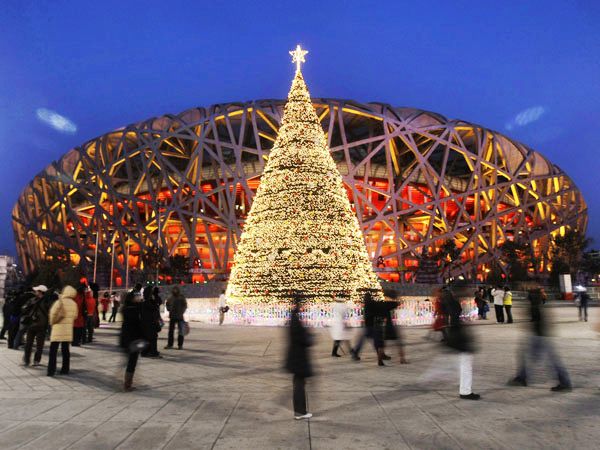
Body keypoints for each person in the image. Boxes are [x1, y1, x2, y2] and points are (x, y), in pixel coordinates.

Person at [508, 287, 572, 392]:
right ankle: (521, 377)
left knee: (550, 360)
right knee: (545, 358)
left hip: (539, 337)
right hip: (540, 335)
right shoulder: (538, 304)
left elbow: (535, 320)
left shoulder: (535, 306)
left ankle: (564, 382)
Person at [440, 285, 480, 400]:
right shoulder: (453, 303)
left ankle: (465, 390)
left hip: (456, 335)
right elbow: (454, 320)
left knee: (464, 363)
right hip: (458, 336)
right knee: (466, 364)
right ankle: (465, 391)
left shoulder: (449, 301)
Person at [285, 293, 313, 420]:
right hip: (298, 357)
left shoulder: (293, 316)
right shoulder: (295, 319)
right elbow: (301, 338)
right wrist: (309, 337)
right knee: (299, 385)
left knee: (298, 383)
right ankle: (300, 412)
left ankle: (299, 411)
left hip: (296, 356)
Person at [47, 286, 78, 377]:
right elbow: (75, 316)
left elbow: (53, 314)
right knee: (65, 350)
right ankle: (65, 369)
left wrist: (52, 322)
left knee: (53, 351)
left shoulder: (59, 302)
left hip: (57, 329)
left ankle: (51, 370)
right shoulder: (74, 304)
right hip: (68, 330)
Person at [120, 290, 147, 391]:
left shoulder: (126, 308)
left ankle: (128, 382)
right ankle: (127, 385)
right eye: (136, 297)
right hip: (133, 339)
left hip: (126, 338)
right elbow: (139, 325)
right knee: (132, 362)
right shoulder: (135, 310)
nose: (138, 298)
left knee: (130, 361)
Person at [22, 285, 50, 367]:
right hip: (34, 325)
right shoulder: (34, 300)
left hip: (39, 325)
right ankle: (30, 360)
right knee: (30, 344)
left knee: (38, 344)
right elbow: (23, 309)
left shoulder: (45, 301)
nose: (35, 292)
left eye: (37, 291)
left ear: (41, 292)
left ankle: (34, 360)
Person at [351, 288, 378, 362]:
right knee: (375, 340)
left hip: (368, 325)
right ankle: (380, 354)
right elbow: (373, 313)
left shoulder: (366, 304)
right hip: (371, 325)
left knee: (364, 340)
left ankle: (355, 352)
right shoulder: (371, 303)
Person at [382, 291, 408, 364]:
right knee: (399, 342)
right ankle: (402, 359)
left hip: (384, 326)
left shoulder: (382, 303)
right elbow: (399, 302)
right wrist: (396, 298)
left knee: (383, 343)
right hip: (390, 326)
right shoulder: (390, 304)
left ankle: (381, 357)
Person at [141, 285, 162, 358]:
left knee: (147, 337)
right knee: (153, 337)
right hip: (150, 322)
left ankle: (146, 352)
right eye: (152, 292)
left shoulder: (146, 301)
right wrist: (155, 302)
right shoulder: (147, 302)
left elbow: (158, 302)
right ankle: (153, 352)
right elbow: (155, 307)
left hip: (148, 322)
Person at [330, 293, 352, 357]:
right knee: (342, 338)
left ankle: (334, 352)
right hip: (340, 324)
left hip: (336, 323)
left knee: (338, 339)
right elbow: (344, 315)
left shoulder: (335, 305)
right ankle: (352, 352)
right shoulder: (343, 306)